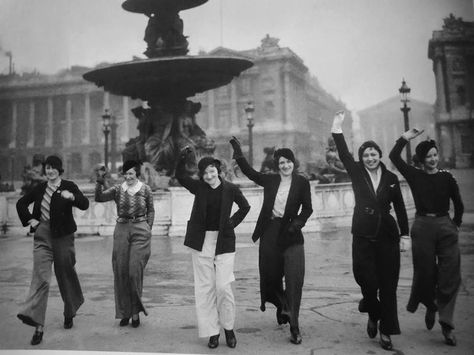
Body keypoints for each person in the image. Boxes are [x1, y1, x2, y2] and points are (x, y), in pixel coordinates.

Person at [331, 111, 409, 350]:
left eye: (373, 154)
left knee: (388, 284)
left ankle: (386, 331)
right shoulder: (356, 172)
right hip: (363, 234)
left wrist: (405, 235)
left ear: (380, 155)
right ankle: (373, 311)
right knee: (366, 279)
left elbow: (401, 208)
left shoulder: (391, 178)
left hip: (387, 235)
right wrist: (337, 127)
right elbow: (343, 153)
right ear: (362, 158)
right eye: (366, 155)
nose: (370, 158)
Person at [229, 136, 313, 345]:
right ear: (278, 165)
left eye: (288, 162)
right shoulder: (270, 179)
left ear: (294, 163)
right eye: (281, 162)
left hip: (292, 233)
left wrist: (298, 223)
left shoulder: (302, 182)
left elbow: (308, 208)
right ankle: (281, 303)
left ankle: (294, 325)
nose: (285, 165)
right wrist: (238, 151)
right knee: (270, 276)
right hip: (270, 231)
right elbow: (249, 172)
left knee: (294, 279)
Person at [389, 129, 464, 346]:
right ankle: (431, 304)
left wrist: (455, 224)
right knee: (426, 273)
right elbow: (394, 157)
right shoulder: (415, 175)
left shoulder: (447, 177)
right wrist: (404, 138)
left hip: (445, 226)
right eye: (429, 156)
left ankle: (447, 324)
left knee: (451, 274)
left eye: (435, 155)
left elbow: (458, 204)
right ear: (421, 160)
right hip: (422, 227)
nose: (433, 159)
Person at [176, 147, 250, 349]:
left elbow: (245, 207)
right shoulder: (199, 188)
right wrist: (183, 157)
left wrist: (231, 223)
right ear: (202, 175)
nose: (209, 175)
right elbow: (180, 176)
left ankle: (228, 328)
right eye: (205, 173)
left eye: (212, 171)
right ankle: (213, 332)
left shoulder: (231, 189)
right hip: (201, 241)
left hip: (224, 241)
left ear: (218, 170)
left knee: (223, 287)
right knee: (205, 289)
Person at [16, 155, 89, 345]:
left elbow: (84, 203)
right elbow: (21, 203)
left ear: (59, 169)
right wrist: (31, 220)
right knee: (41, 278)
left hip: (63, 237)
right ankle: (38, 325)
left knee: (65, 275)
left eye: (53, 168)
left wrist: (72, 197)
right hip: (43, 237)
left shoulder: (69, 186)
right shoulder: (40, 188)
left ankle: (69, 311)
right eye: (47, 168)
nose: (49, 171)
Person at [95, 160, 155, 328]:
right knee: (121, 271)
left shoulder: (146, 189)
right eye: (125, 174)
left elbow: (151, 210)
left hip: (141, 230)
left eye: (131, 173)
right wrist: (100, 180)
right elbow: (99, 197)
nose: (128, 176)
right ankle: (125, 313)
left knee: (133, 272)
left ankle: (135, 312)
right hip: (121, 229)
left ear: (137, 174)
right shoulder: (118, 190)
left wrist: (148, 228)